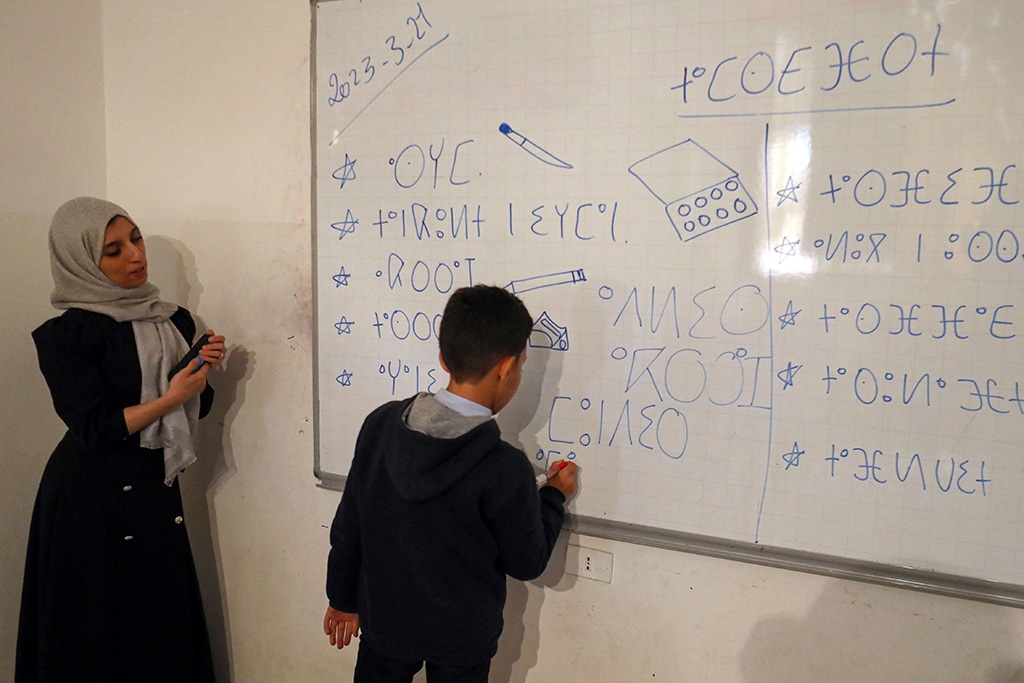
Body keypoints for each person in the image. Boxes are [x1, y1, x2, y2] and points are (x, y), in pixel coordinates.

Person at [16, 197, 227, 682]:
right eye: (113, 250)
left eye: (135, 238)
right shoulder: (66, 335)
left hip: (153, 488)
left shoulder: (172, 320)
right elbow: (93, 428)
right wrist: (174, 395)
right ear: (83, 260)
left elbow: (201, 405)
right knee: (95, 627)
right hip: (88, 498)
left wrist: (198, 369)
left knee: (158, 619)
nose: (136, 254)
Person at [323, 284, 578, 682]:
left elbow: (349, 524)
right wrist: (552, 496)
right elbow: (526, 561)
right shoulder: (503, 466)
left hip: (384, 623)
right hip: (462, 640)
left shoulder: (380, 425)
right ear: (507, 368)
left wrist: (342, 598)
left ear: (443, 358)